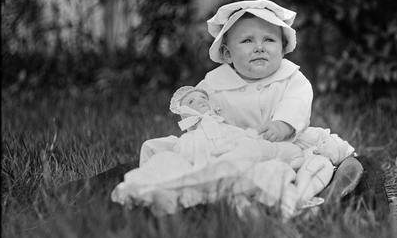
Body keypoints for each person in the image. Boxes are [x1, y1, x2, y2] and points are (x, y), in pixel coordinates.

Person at [140, 0, 380, 214]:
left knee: (317, 159)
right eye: (247, 40)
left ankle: (312, 194)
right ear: (227, 54)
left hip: (283, 143)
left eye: (269, 40)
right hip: (233, 147)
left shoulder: (291, 77)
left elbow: (297, 101)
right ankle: (204, 191)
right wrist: (200, 115)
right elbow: (197, 108)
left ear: (283, 48)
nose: (259, 47)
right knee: (184, 155)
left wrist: (283, 124)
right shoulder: (214, 83)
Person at [110, 85, 327, 219]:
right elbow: (177, 152)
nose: (200, 102)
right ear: (183, 113)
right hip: (202, 162)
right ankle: (179, 194)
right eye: (192, 101)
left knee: (258, 166)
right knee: (169, 165)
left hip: (234, 160)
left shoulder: (227, 127)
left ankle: (274, 208)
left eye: (203, 99)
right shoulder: (188, 139)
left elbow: (247, 141)